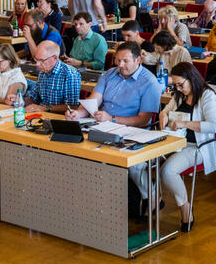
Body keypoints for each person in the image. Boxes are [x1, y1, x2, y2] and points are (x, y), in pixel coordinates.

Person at [69, 41, 163, 210]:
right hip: (103, 125)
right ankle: (91, 199)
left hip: (134, 131)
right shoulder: (110, 74)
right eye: (117, 60)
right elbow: (94, 99)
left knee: (134, 166)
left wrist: (112, 119)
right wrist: (78, 114)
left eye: (125, 61)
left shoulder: (150, 82)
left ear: (138, 60)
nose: (120, 65)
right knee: (77, 148)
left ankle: (150, 197)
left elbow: (143, 120)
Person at [159, 62, 216, 232]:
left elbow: (214, 126)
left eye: (181, 84)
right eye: (176, 85)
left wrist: (185, 123)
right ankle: (151, 199)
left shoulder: (207, 96)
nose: (178, 88)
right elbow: (167, 109)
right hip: (174, 141)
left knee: (167, 171)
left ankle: (185, 207)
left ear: (192, 79)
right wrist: (163, 114)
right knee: (140, 163)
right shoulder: (179, 94)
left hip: (197, 146)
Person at [22, 40, 81, 114]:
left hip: (59, 118)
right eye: (36, 60)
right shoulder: (43, 71)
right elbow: (34, 98)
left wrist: (44, 108)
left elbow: (72, 106)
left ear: (54, 58)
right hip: (42, 115)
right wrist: (20, 100)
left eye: (41, 60)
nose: (37, 64)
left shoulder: (69, 74)